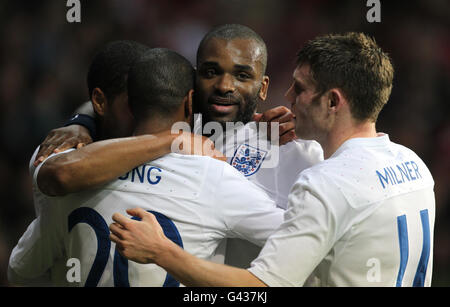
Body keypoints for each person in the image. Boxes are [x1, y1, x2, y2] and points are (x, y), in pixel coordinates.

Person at [109, 32, 436, 287]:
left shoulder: (324, 183)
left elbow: (261, 285)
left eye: (300, 88)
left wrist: (161, 251)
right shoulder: (415, 167)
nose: (289, 97)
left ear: (333, 101)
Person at [30, 24, 324, 268]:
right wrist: (83, 121)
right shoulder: (167, 132)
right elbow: (127, 103)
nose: (224, 85)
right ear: (193, 82)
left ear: (263, 87)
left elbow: (317, 240)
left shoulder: (292, 147)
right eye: (211, 72)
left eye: (242, 75)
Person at [8, 47, 284, 287]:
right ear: (189, 102)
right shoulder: (214, 176)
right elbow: (298, 238)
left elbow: (20, 270)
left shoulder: (65, 165)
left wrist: (81, 120)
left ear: (131, 104)